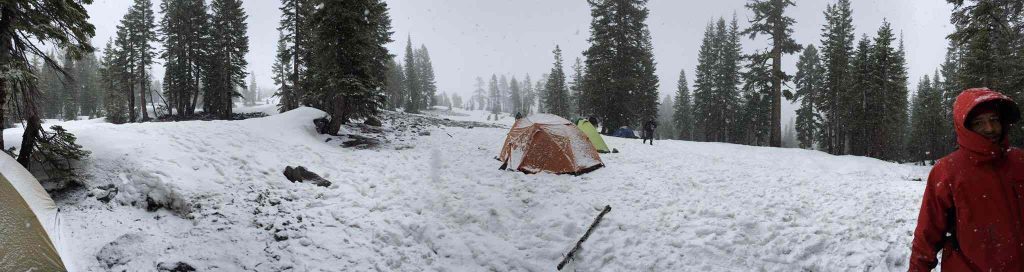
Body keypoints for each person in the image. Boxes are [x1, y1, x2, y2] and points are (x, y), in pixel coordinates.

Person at [909, 88, 1024, 271]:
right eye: (979, 123)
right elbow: (927, 234)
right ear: (966, 127)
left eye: (994, 120)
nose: (990, 128)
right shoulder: (947, 171)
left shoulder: (1019, 161)